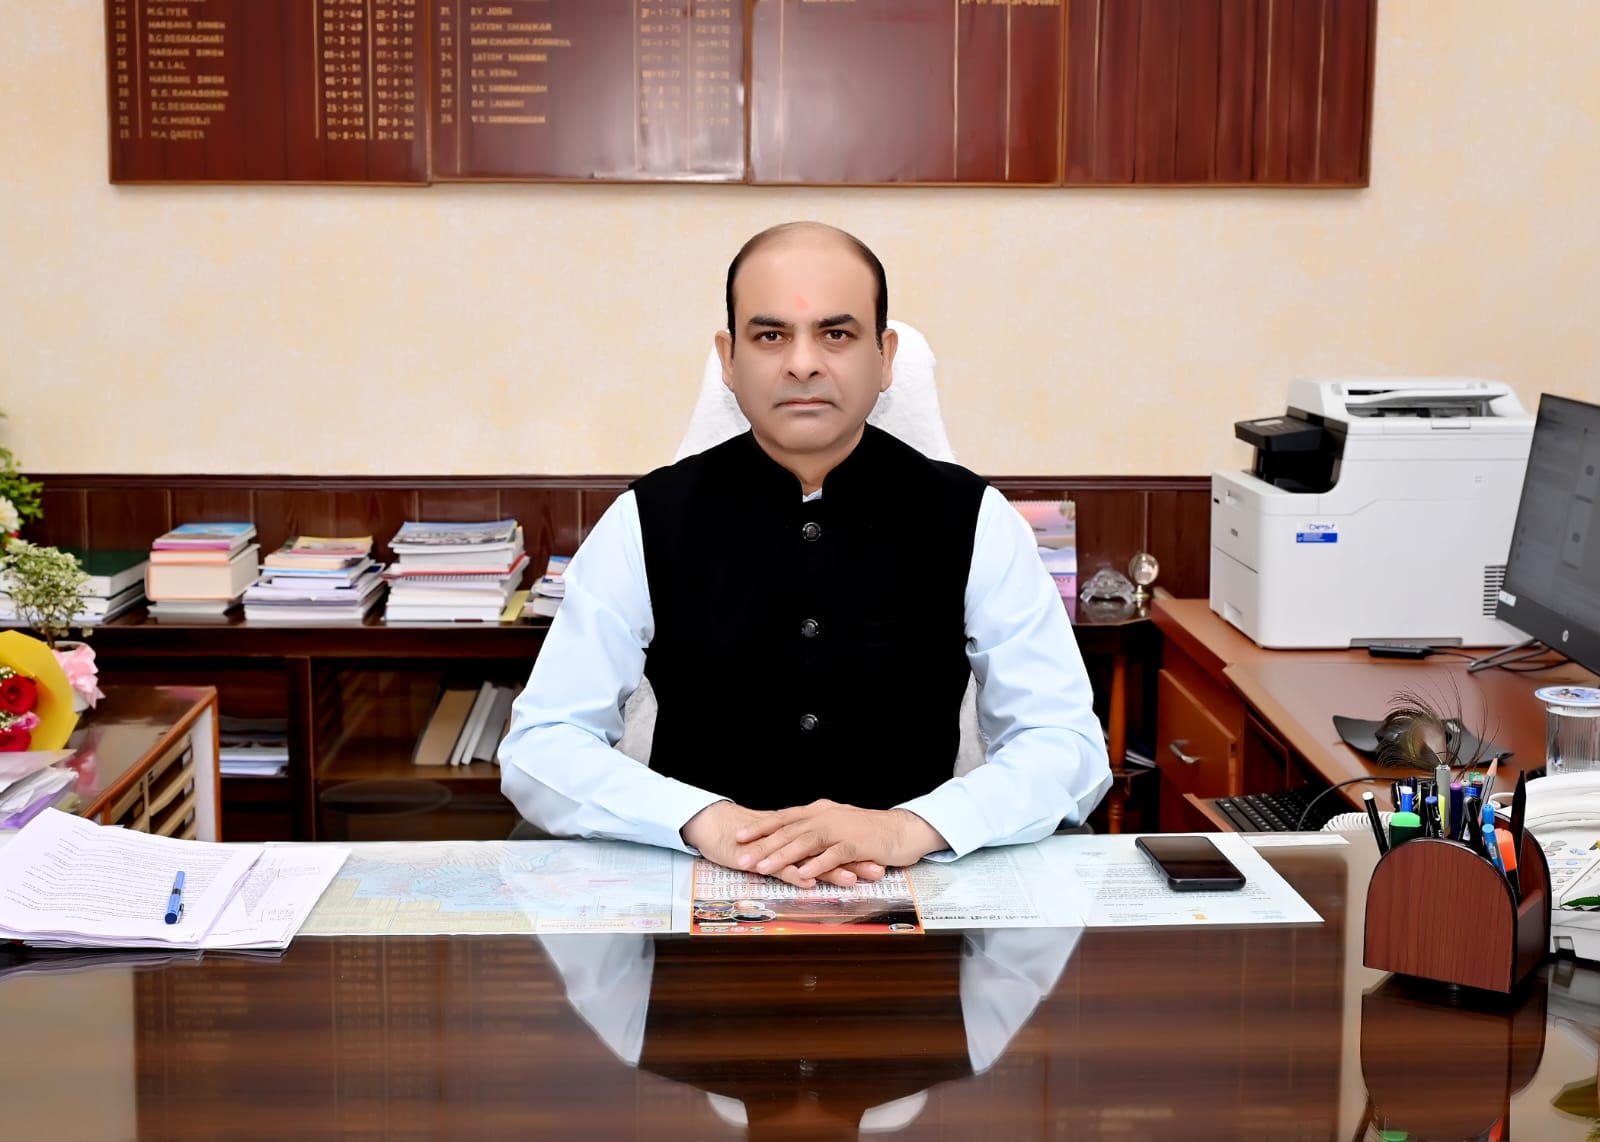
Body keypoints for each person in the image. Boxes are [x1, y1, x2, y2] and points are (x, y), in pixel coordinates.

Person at [499, 221, 1110, 888]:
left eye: (836, 334)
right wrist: (704, 820)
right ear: (728, 359)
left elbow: (1066, 747)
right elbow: (542, 745)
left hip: (913, 888)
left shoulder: (976, 518)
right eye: (771, 336)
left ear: (885, 357)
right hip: (697, 886)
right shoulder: (645, 518)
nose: (803, 364)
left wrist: (907, 829)